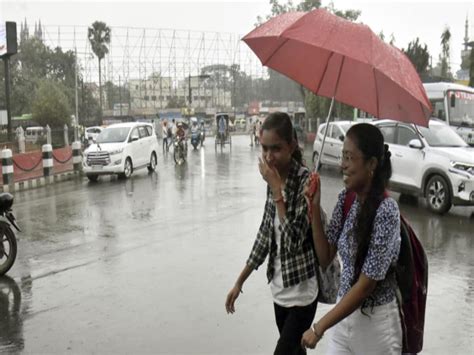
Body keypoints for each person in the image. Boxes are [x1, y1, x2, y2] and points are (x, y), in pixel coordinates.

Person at [301, 123, 402, 354]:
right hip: (342, 317)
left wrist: (319, 327)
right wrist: (314, 207)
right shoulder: (347, 199)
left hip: (376, 327)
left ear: (372, 164)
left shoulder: (386, 211)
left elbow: (366, 285)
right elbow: (325, 257)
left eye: (349, 157)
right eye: (342, 156)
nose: (342, 164)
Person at [225, 112, 319, 355]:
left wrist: (278, 190)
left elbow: (293, 242)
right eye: (264, 148)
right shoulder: (273, 178)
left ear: (291, 145)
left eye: (275, 148)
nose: (268, 156)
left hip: (302, 296)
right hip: (279, 292)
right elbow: (266, 235)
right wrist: (239, 281)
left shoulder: (305, 183)